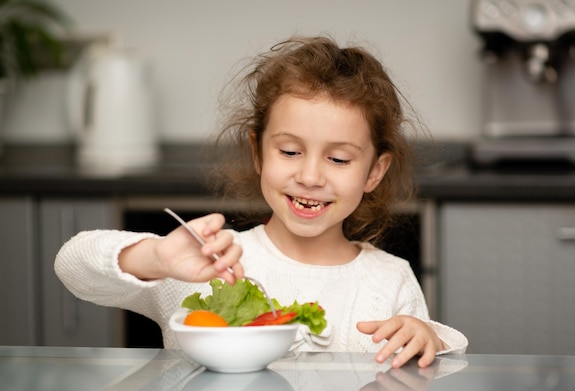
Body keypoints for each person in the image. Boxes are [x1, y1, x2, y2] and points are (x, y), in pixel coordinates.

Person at [55, 35, 467, 368]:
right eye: (289, 152)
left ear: (374, 172)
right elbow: (72, 265)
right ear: (258, 153)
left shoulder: (390, 279)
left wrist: (426, 339)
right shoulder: (207, 265)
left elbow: (416, 380)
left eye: (338, 158)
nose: (309, 176)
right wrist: (157, 257)